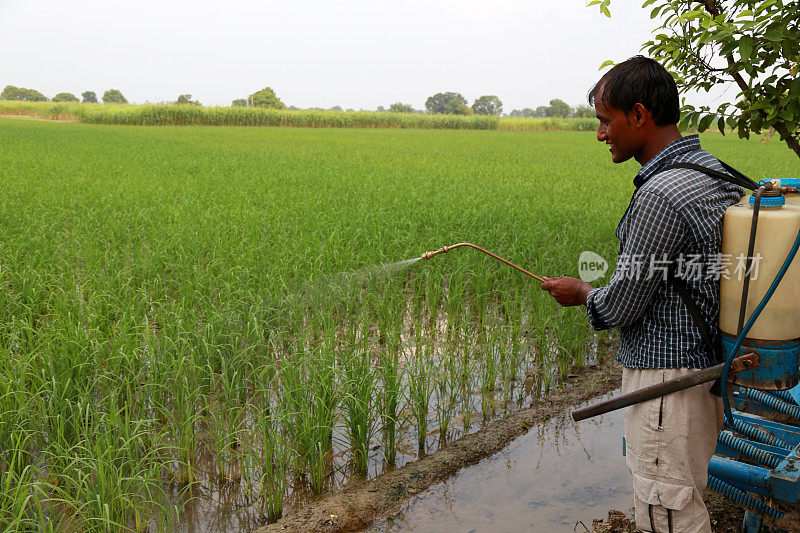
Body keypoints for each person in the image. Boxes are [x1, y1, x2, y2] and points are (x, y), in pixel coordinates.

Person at [540, 56, 743, 532]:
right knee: (685, 494)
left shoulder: (661, 193)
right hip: (705, 368)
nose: (600, 134)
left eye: (605, 122)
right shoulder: (715, 171)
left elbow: (624, 302)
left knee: (666, 512)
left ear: (638, 115)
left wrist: (584, 292)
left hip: (663, 383)